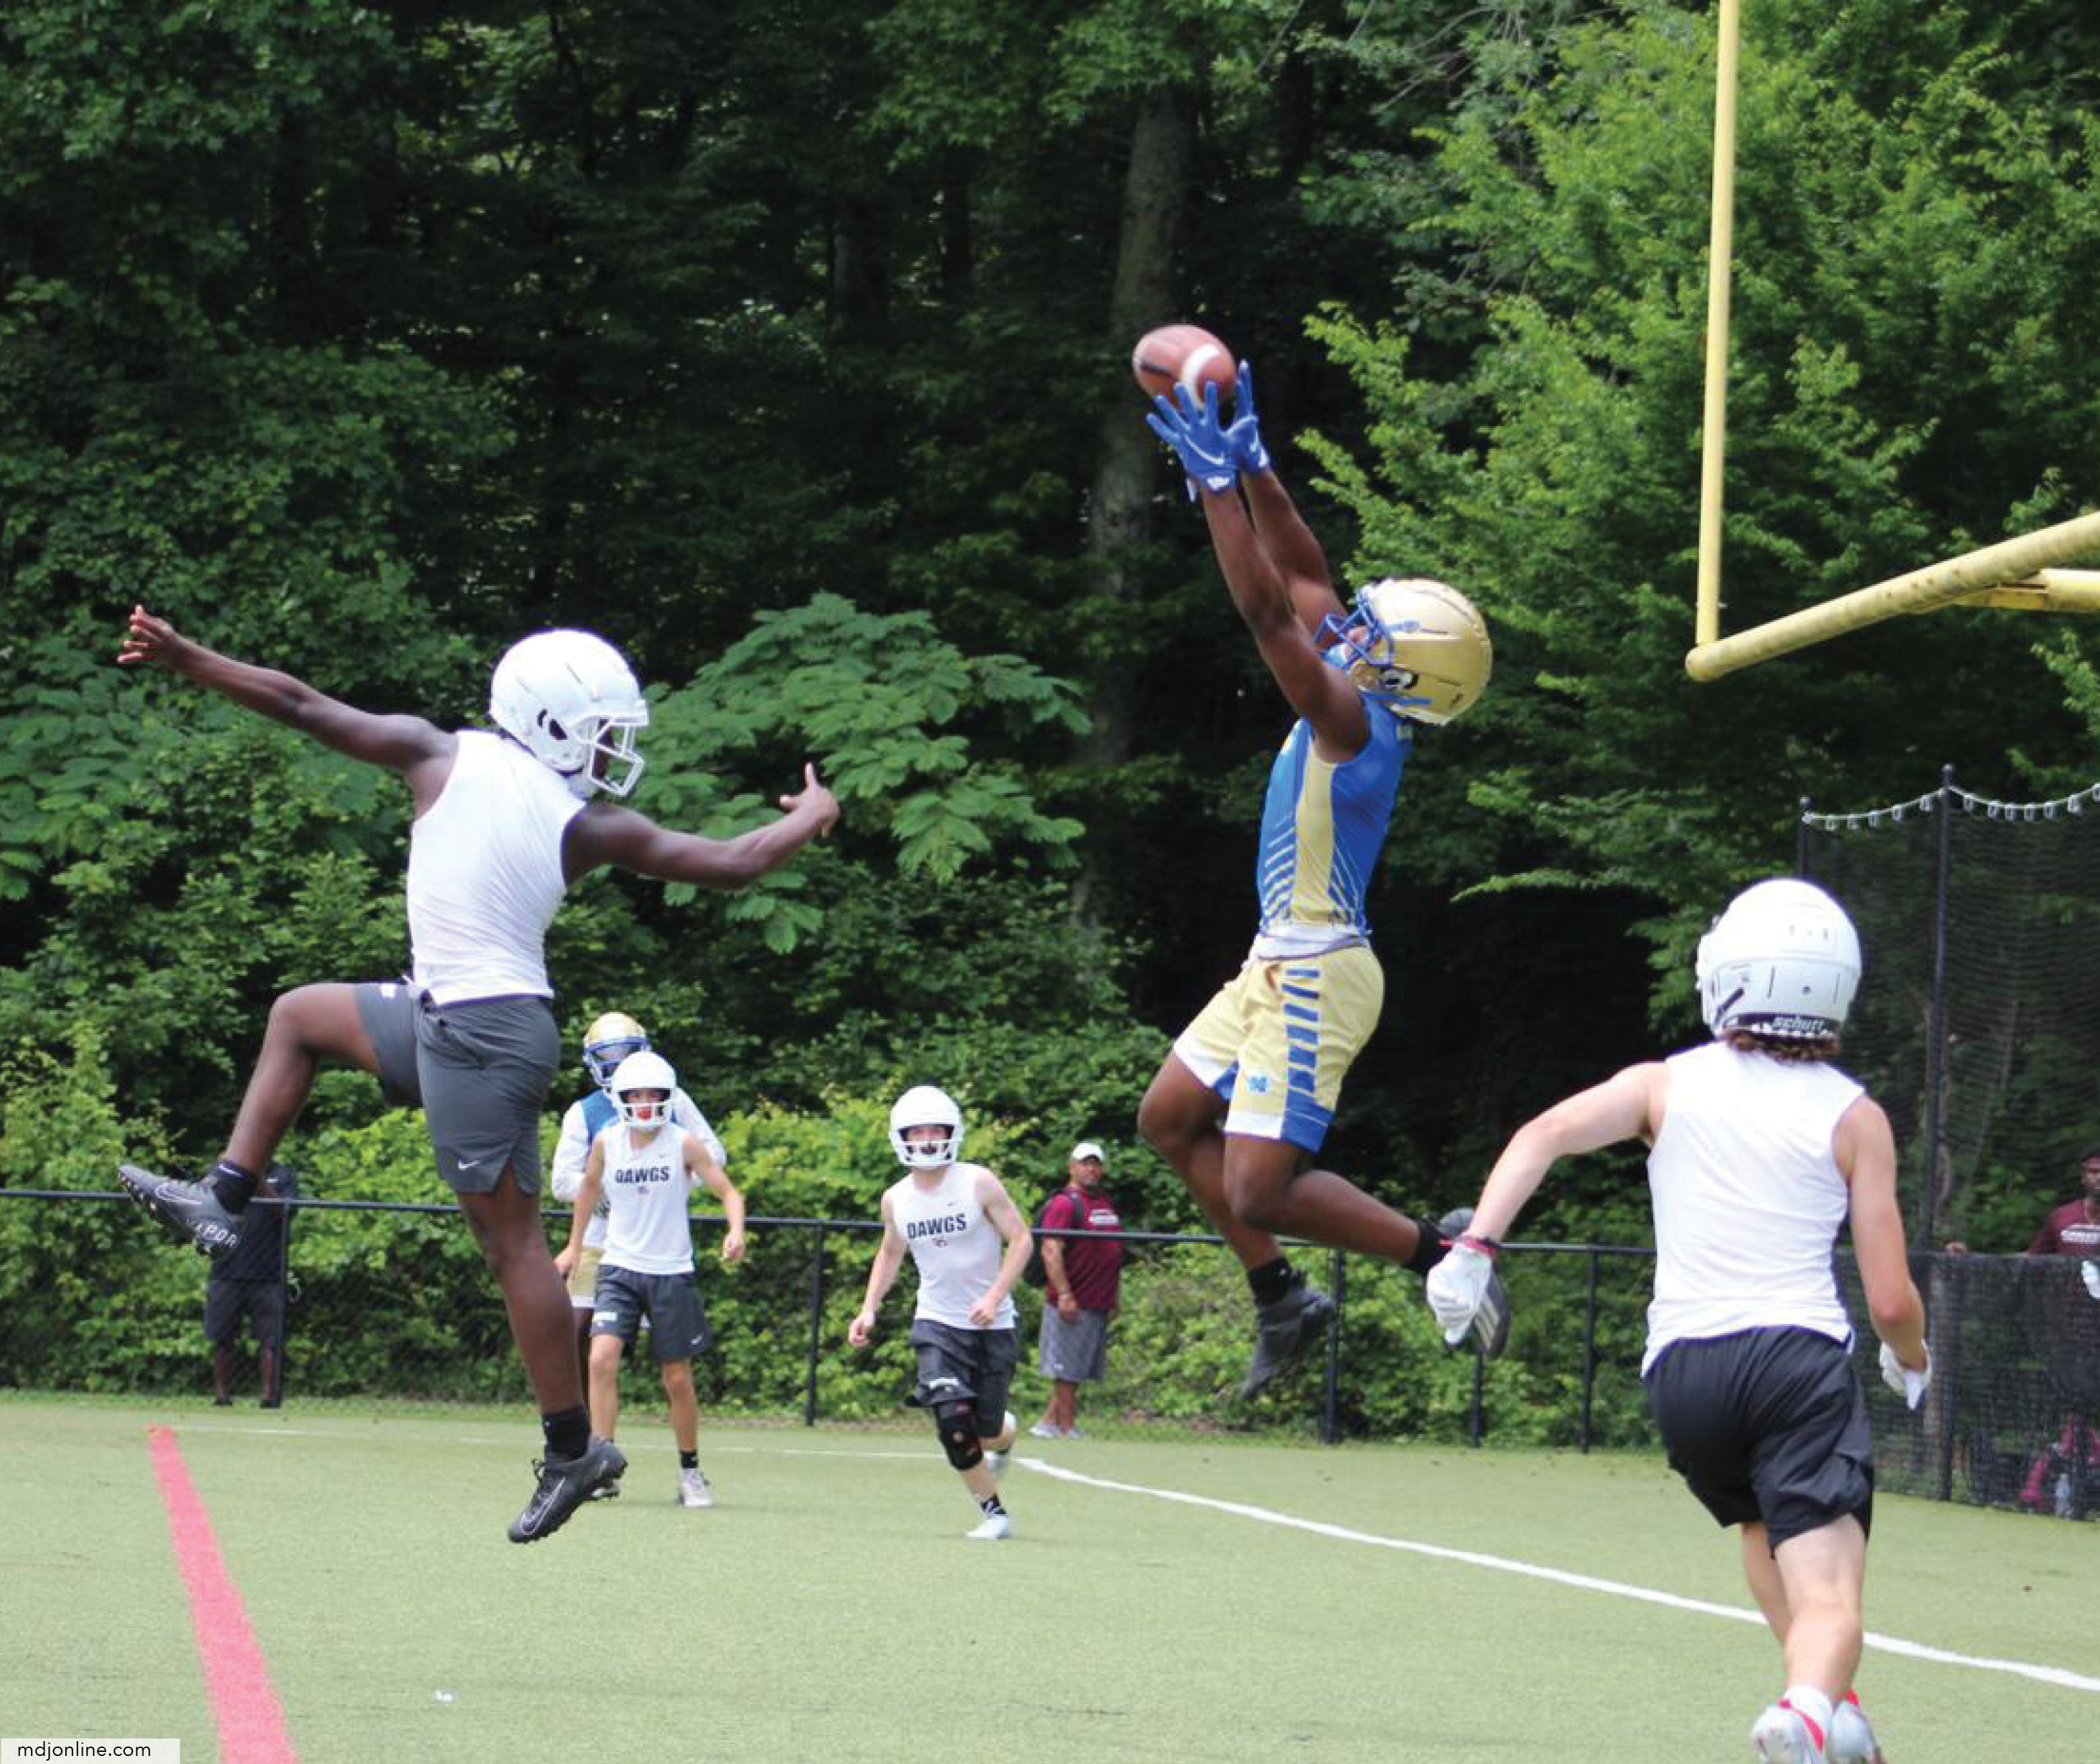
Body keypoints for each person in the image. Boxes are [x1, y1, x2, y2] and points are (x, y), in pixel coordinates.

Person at [112, 607, 836, 1544]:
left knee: (513, 1250)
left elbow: (297, 702)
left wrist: (185, 659)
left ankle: (573, 1449)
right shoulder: (557, 807)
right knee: (298, 1014)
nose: (613, 753)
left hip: (482, 1032)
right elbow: (734, 862)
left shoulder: (450, 760)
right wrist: (817, 812)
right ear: (541, 719)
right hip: (446, 1016)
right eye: (601, 734)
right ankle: (224, 1196)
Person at [1426, 878, 1927, 1764]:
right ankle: (1809, 1713)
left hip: (1684, 1376)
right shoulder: (1855, 1116)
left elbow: (1543, 1133)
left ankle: (1829, 1711)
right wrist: (1911, 1358)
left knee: (1763, 1529)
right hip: (1793, 1362)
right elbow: (1889, 1300)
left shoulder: (1664, 1084)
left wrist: (1475, 1250)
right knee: (1834, 1593)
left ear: (1731, 975)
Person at [1136, 364, 1502, 1400]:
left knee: (1256, 1186)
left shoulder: (1351, 724)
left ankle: (1442, 1254)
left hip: (1319, 972)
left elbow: (1270, 617)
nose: (1354, 626)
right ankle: (1281, 1300)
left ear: (1397, 674)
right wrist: (1256, 468)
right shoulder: (1373, 689)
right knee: (1166, 1120)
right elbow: (1301, 575)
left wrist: (1212, 493)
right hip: (1275, 959)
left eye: (1375, 634)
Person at [555, 1050, 745, 1510]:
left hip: (670, 1271)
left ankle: (690, 1471)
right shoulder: (607, 1140)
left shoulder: (683, 1143)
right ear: (620, 1098)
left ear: (667, 1096)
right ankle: (601, 1467)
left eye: (653, 1094)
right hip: (619, 1267)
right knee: (600, 1359)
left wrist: (735, 1230)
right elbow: (586, 1191)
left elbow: (728, 1191)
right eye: (634, 1094)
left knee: (676, 1377)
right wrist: (574, 1246)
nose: (643, 1103)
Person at [847, 1085, 1028, 1540]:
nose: (927, 1139)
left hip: (993, 1325)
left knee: (985, 1429)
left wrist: (993, 1296)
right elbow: (889, 1253)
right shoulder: (895, 1199)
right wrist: (868, 1308)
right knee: (952, 1422)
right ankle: (994, 1512)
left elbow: (1022, 1239)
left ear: (952, 1133)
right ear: (900, 1137)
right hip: (936, 1323)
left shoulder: (978, 1181)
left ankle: (1003, 1432)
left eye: (936, 1129)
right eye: (917, 1130)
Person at [550, 1011, 727, 1388]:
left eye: (626, 1056)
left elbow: (714, 1155)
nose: (618, 1067)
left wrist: (667, 1184)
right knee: (579, 1330)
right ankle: (581, 1427)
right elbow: (563, 1181)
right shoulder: (584, 1112)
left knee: (669, 1351)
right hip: (601, 1237)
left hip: (657, 1240)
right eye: (608, 1059)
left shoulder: (673, 1100)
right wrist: (614, 1190)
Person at [2013, 1143, 2100, 1515]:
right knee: (2076, 1411)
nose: (2099, 1178)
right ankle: (2052, 1489)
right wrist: (1965, 1257)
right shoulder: (2062, 1218)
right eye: (2094, 1171)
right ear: (2084, 1176)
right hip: (2071, 1335)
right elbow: (2031, 1260)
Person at [1030, 1140, 1125, 1439]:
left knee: (1079, 1368)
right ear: (1072, 1167)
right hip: (1073, 1300)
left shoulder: (1105, 1203)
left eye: (1096, 1163)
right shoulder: (1064, 1203)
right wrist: (1065, 1294)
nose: (1091, 1169)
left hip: (1099, 1299)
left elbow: (1113, 1251)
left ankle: (1048, 1422)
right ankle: (1067, 1427)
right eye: (1085, 1163)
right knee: (1067, 1370)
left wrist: (1115, 1295)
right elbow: (1050, 1250)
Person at [204, 1163, 298, 1409]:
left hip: (268, 1273)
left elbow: (286, 1212)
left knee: (271, 1339)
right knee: (223, 1337)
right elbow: (206, 1208)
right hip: (226, 1270)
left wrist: (259, 1180)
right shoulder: (224, 1174)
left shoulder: (283, 1174)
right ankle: (222, 1396)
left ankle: (269, 1398)